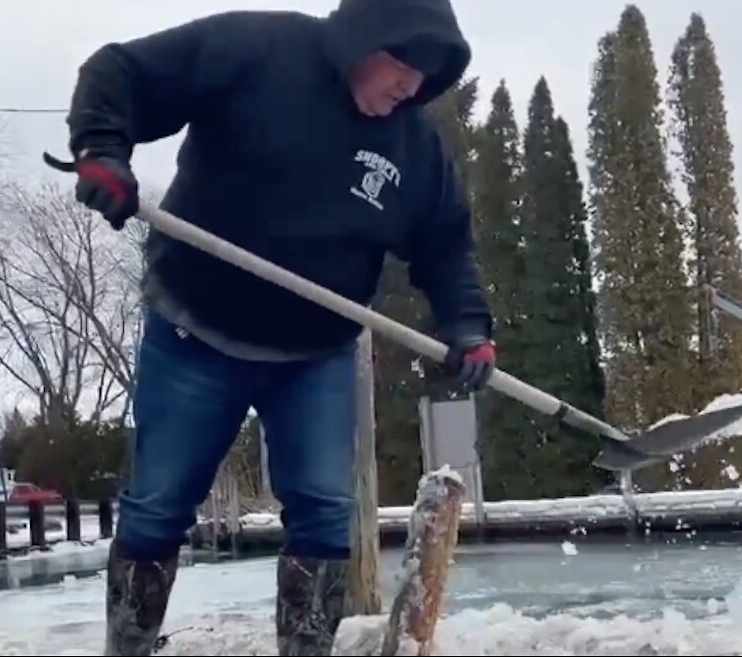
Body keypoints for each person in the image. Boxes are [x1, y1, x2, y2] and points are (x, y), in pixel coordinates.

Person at [61, 1, 496, 654]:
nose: (412, 87)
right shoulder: (257, 49)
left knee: (325, 510)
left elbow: (446, 245)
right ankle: (129, 643)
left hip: (316, 352)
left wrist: (466, 325)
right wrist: (101, 148)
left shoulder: (414, 145)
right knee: (157, 504)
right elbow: (122, 71)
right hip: (194, 329)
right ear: (365, 37)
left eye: (426, 79)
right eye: (404, 65)